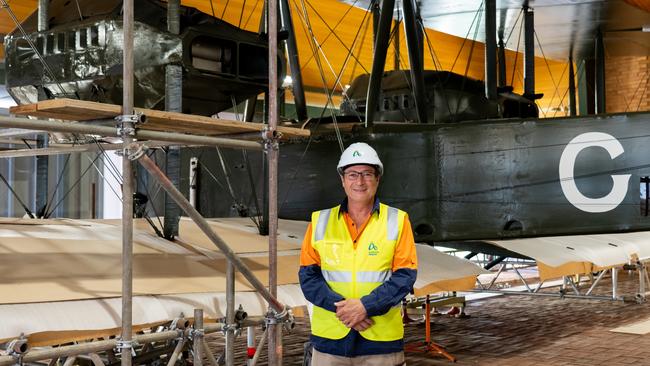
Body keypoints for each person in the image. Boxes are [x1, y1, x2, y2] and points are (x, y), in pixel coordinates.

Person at [299, 142, 418, 366]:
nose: (360, 181)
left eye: (367, 174)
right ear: (342, 180)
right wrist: (346, 310)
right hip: (330, 341)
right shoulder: (319, 221)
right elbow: (308, 277)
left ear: (377, 179)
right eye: (353, 174)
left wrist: (365, 307)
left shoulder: (398, 221)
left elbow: (405, 277)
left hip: (380, 341)